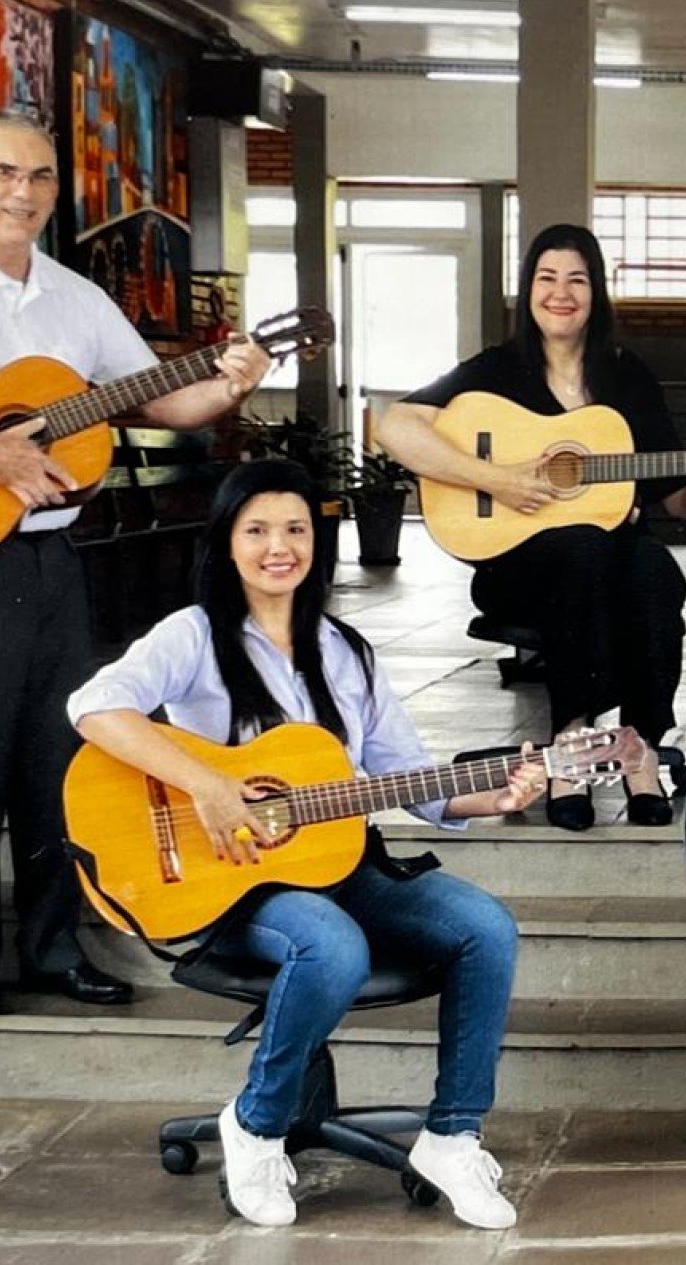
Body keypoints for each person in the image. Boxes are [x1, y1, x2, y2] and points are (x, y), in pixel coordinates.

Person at [0, 108, 272, 1016]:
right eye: (3, 173)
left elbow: (162, 398)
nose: (22, 193)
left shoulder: (74, 297)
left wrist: (228, 382)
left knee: (62, 752)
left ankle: (50, 947)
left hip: (50, 556)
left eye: (39, 178)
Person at [67, 460, 543, 1230]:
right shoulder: (192, 636)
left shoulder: (346, 651)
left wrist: (495, 794)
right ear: (226, 543)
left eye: (295, 529)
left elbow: (402, 776)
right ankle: (257, 1124)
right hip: (230, 878)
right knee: (332, 946)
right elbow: (93, 707)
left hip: (341, 862)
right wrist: (207, 784)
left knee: (484, 924)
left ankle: (452, 1134)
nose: (277, 546)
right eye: (256, 530)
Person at [376, 223, 686, 832]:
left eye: (577, 279)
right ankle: (570, 745)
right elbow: (393, 425)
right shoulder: (496, 372)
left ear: (597, 292)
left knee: (651, 566)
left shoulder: (626, 377)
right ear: (529, 289)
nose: (560, 292)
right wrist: (496, 478)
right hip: (513, 568)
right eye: (547, 278)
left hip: (608, 566)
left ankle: (640, 747)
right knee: (587, 548)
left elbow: (677, 493)